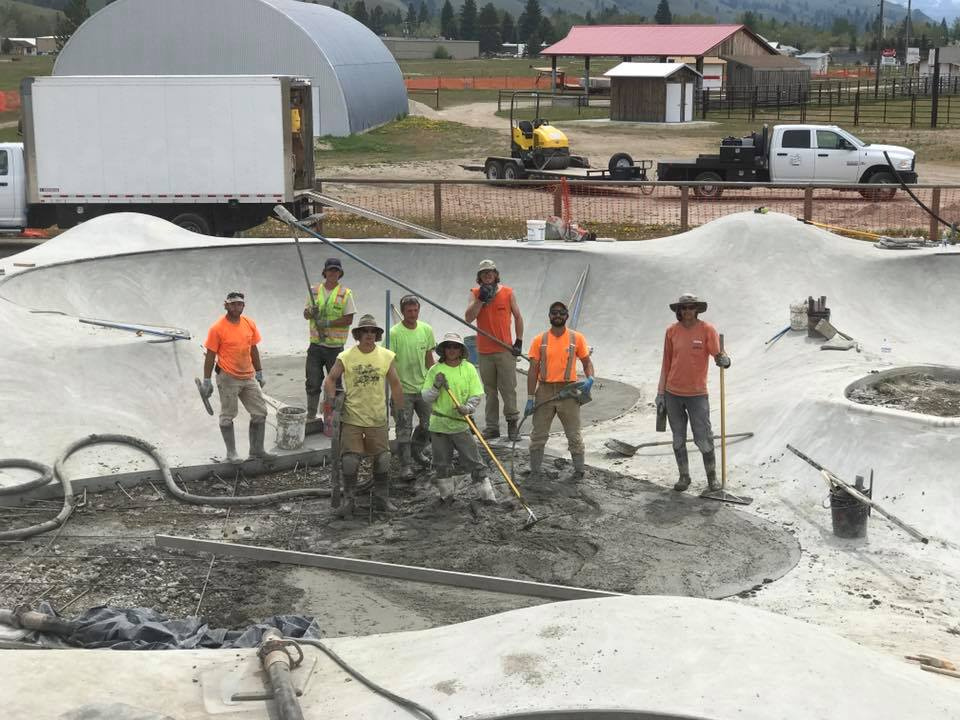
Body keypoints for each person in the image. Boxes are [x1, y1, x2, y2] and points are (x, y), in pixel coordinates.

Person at [323, 314, 404, 517]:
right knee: (350, 460)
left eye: (373, 332)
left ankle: (381, 498)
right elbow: (330, 379)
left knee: (383, 459)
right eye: (365, 331)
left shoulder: (386, 356)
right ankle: (349, 500)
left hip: (377, 416)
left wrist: (399, 409)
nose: (369, 335)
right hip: (353, 417)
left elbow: (395, 383)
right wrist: (331, 403)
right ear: (358, 335)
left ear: (377, 335)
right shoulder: (346, 356)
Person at [656, 293, 731, 493]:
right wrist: (661, 393)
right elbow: (666, 363)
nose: (687, 311)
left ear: (697, 309)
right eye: (684, 308)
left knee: (703, 437)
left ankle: (712, 479)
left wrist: (725, 360)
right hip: (673, 393)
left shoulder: (707, 330)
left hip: (697, 394)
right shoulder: (672, 331)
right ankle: (684, 476)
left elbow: (718, 354)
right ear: (679, 311)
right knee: (678, 438)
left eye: (691, 307)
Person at [199, 291, 275, 464]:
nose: (236, 307)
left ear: (243, 305)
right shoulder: (217, 328)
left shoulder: (249, 324)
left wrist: (259, 372)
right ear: (226, 305)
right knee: (228, 415)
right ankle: (231, 453)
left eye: (239, 304)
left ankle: (257, 451)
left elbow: (253, 349)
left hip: (248, 376)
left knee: (260, 412)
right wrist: (206, 380)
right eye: (232, 304)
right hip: (228, 376)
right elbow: (210, 355)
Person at [421, 333, 496, 503]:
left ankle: (487, 497)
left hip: (461, 424)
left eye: (455, 347)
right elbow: (426, 397)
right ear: (444, 350)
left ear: (461, 350)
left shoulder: (468, 368)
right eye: (449, 346)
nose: (452, 350)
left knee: (474, 461)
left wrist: (467, 408)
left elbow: (476, 394)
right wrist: (436, 386)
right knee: (441, 463)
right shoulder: (435, 370)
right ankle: (447, 496)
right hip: (439, 425)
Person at [525, 301, 594, 481]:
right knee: (539, 434)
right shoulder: (539, 340)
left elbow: (586, 362)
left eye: (561, 313)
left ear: (566, 316)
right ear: (549, 316)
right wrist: (530, 397)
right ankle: (535, 471)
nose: (558, 315)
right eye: (554, 312)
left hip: (568, 391)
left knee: (573, 434)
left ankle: (579, 471)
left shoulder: (576, 338)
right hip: (545, 391)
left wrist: (590, 378)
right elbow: (533, 370)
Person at [464, 258, 524, 441]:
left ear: (496, 274)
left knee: (508, 389)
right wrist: (481, 300)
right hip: (484, 351)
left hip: (505, 349)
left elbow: (518, 317)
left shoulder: (507, 293)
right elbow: (468, 318)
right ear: (479, 277)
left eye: (490, 272)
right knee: (490, 391)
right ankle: (492, 428)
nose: (488, 275)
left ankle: (512, 424)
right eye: (484, 273)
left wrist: (519, 341)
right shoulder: (475, 294)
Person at [389, 295, 436, 479]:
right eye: (409, 311)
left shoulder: (426, 330)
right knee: (403, 428)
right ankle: (406, 465)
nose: (413, 314)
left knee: (429, 424)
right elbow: (390, 362)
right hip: (403, 390)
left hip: (423, 387)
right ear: (403, 312)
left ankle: (417, 451)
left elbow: (429, 358)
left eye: (415, 310)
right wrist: (395, 387)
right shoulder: (394, 333)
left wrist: (433, 380)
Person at [304, 258, 355, 421]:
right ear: (324, 272)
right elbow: (306, 315)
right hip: (316, 346)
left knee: (335, 384)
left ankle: (332, 418)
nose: (333, 273)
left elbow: (348, 319)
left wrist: (328, 323)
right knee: (312, 381)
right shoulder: (314, 290)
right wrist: (311, 312)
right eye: (330, 270)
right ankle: (311, 416)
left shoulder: (345, 293)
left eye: (336, 270)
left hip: (334, 348)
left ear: (340, 273)